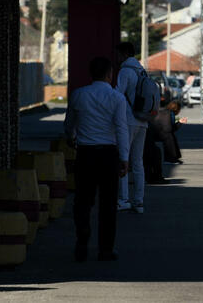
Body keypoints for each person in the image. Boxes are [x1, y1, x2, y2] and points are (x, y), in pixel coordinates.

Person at [63, 56, 129, 261]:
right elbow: (121, 129)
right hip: (108, 154)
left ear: (91, 73)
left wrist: (71, 138)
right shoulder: (117, 98)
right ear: (110, 74)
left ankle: (82, 241)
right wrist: (124, 157)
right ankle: (105, 249)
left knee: (83, 201)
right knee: (108, 204)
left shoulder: (78, 95)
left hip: (85, 154)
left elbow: (69, 124)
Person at [115, 41, 159, 214]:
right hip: (143, 121)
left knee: (123, 160)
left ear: (124, 54)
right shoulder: (141, 71)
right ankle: (139, 201)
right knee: (138, 162)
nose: (116, 57)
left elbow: (117, 95)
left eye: (118, 54)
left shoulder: (125, 71)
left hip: (128, 120)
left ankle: (123, 199)